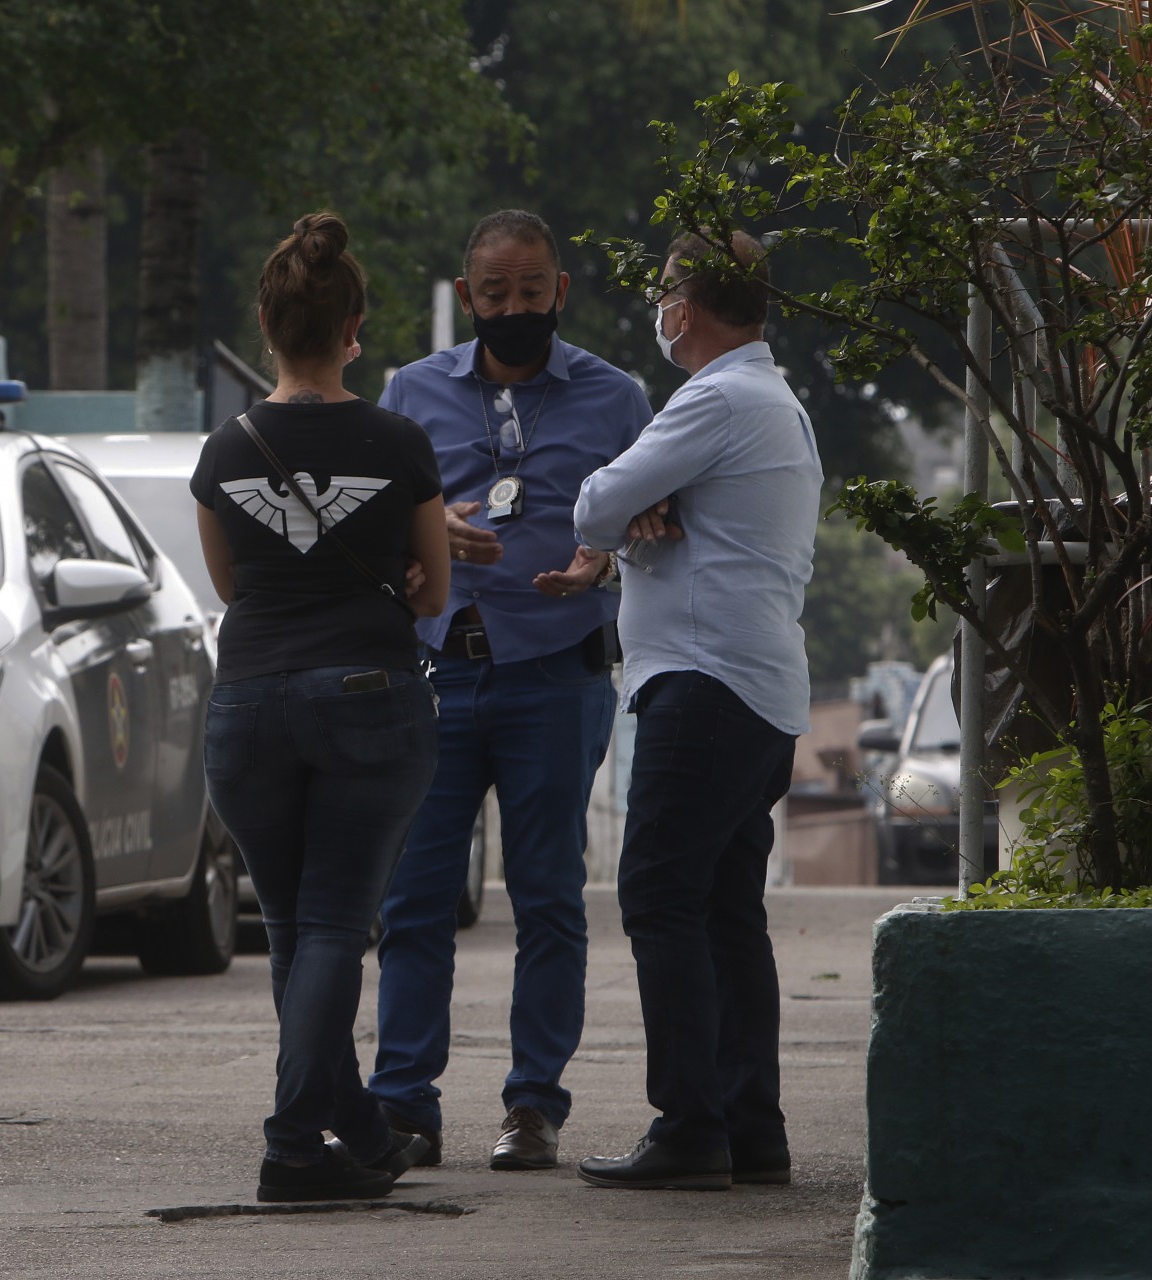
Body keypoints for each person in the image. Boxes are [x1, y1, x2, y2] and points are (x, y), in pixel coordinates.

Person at [368, 209, 651, 1171]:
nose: (514, 308)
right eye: (496, 294)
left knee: (549, 900)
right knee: (414, 900)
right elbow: (369, 527)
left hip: (555, 674)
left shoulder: (618, 400)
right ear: (467, 298)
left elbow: (653, 528)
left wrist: (600, 564)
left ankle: (534, 1105)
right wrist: (428, 529)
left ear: (560, 293)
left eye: (532, 292)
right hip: (440, 671)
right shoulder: (409, 391)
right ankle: (403, 1102)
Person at [191, 211, 450, 1203]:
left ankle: (364, 1137)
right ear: (355, 328)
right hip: (368, 698)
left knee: (299, 933)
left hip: (249, 700)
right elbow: (430, 591)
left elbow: (231, 588)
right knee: (338, 923)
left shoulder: (224, 450)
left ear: (267, 323)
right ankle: (297, 1141)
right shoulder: (397, 441)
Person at [572, 229, 820, 1190]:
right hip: (756, 689)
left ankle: (688, 1127)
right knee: (723, 912)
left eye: (667, 291)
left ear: (694, 305)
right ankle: (750, 1126)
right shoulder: (776, 402)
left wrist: (631, 508)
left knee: (659, 898)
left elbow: (595, 503)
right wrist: (648, 514)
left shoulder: (715, 397)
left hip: (704, 685)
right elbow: (636, 516)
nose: (659, 309)